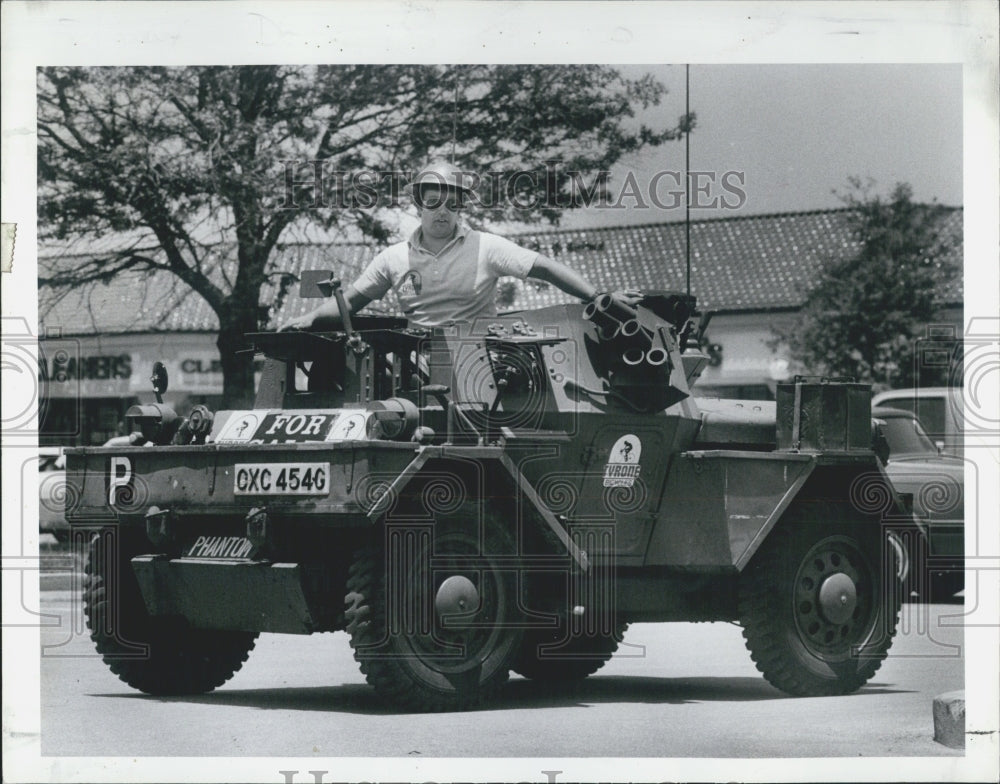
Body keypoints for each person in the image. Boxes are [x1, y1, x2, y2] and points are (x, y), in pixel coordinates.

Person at [281, 161, 632, 331]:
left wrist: (597, 297)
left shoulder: (485, 246)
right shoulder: (394, 257)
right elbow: (351, 302)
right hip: (417, 361)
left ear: (461, 208)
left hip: (481, 359)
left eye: (452, 204)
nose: (443, 212)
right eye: (433, 202)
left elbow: (544, 267)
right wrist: (307, 318)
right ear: (418, 206)